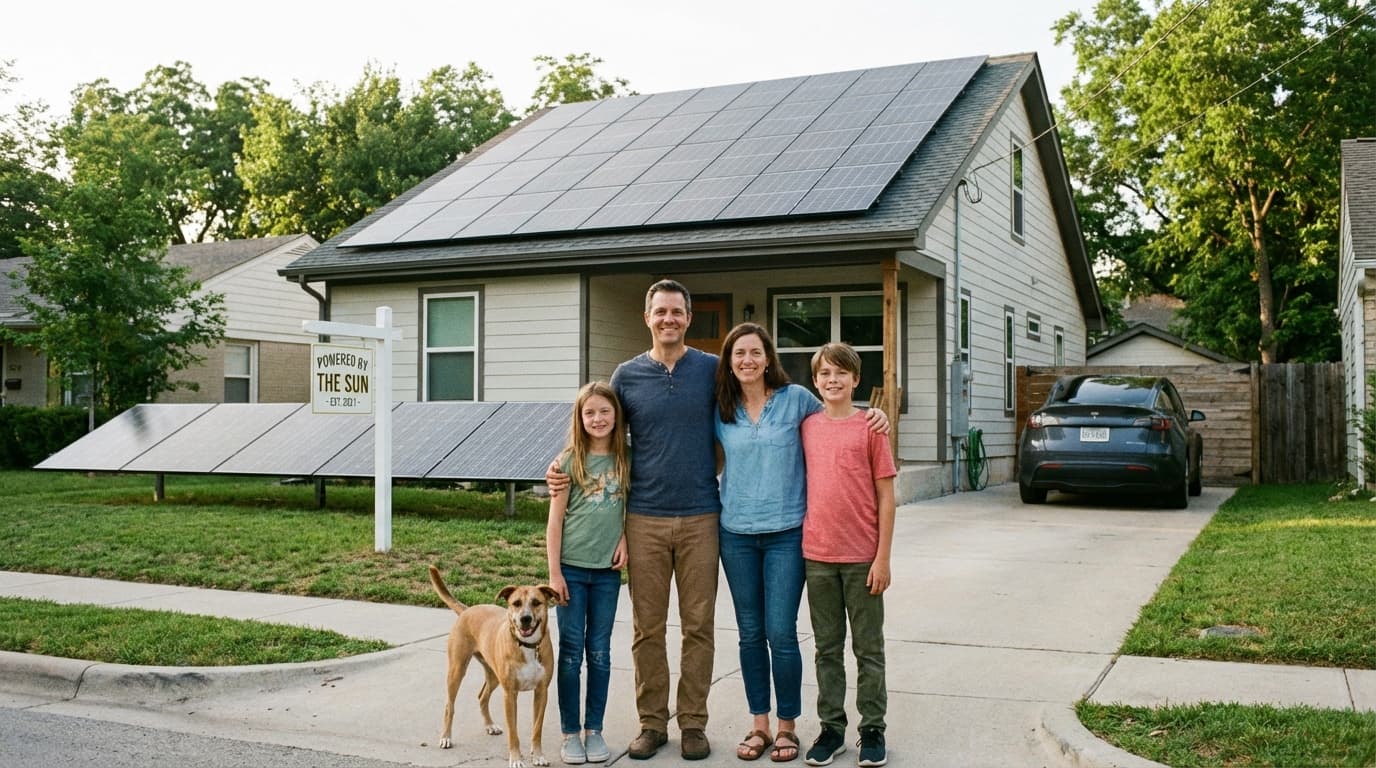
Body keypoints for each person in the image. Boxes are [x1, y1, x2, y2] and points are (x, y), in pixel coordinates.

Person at [547, 279, 720, 761]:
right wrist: (561, 469)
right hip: (643, 518)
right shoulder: (626, 375)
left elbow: (750, 410)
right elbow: (598, 437)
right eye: (660, 311)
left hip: (702, 516)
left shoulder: (711, 370)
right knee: (647, 627)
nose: (669, 319)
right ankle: (652, 722)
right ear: (648, 317)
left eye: (677, 311)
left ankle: (692, 723)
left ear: (689, 316)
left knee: (699, 625)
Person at [714, 323, 890, 764]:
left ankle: (794, 726)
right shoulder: (721, 407)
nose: (748, 360)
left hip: (790, 534)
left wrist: (877, 412)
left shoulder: (797, 403)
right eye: (739, 354)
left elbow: (843, 413)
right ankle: (762, 725)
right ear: (729, 361)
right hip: (737, 533)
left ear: (769, 357)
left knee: (783, 632)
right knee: (752, 634)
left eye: (756, 352)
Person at [799, 343, 897, 768]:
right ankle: (832, 728)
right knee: (826, 648)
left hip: (862, 557)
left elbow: (887, 497)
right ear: (815, 381)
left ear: (856, 379)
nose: (832, 380)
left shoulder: (871, 428)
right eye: (824, 373)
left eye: (841, 373)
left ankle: (872, 729)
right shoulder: (807, 426)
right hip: (817, 555)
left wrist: (883, 558)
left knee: (869, 648)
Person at [545, 382, 630, 765]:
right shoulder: (567, 463)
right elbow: (555, 523)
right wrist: (554, 574)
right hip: (572, 572)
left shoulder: (626, 459)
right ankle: (569, 732)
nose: (598, 419)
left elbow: (630, 508)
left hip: (607, 575)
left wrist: (625, 538)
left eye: (604, 411)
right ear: (580, 419)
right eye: (589, 413)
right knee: (570, 653)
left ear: (616, 416)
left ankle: (594, 729)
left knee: (599, 652)